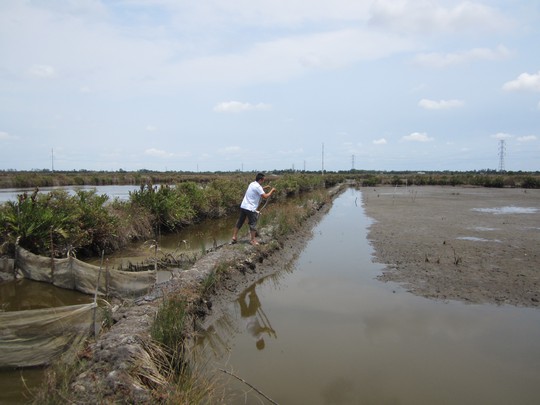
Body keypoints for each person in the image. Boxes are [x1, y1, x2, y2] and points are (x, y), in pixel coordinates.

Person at [231, 172, 276, 246]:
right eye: (263, 180)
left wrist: (265, 187)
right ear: (261, 180)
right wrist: (272, 190)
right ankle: (253, 240)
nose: (264, 181)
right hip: (250, 208)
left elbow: (256, 190)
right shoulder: (258, 187)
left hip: (243, 206)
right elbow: (265, 196)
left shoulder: (252, 184)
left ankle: (234, 236)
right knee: (253, 224)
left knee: (240, 221)